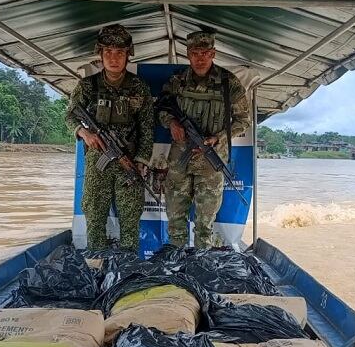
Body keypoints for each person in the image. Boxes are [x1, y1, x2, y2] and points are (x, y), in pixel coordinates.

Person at [156, 30, 250, 249]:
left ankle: (201, 264)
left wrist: (217, 138)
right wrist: (171, 123)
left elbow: (243, 121)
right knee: (175, 218)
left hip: (211, 161)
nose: (200, 58)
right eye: (195, 53)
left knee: (205, 224)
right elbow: (160, 107)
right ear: (188, 54)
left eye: (205, 53)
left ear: (213, 53)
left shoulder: (229, 83)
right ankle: (177, 263)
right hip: (180, 160)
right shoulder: (177, 81)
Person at [65, 24, 154, 251]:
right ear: (100, 54)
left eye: (120, 53)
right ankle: (96, 266)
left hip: (129, 162)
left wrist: (142, 162)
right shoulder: (87, 86)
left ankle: (126, 271)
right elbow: (69, 116)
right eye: (108, 53)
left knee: (130, 218)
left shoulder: (139, 87)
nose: (113, 58)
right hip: (98, 163)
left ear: (127, 55)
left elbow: (146, 127)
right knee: (94, 217)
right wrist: (84, 133)